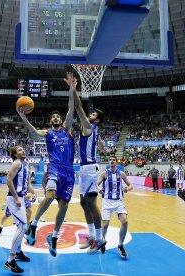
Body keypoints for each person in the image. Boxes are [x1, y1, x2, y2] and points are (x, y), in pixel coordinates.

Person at [18, 72, 75, 257]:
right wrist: (24, 118)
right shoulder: (48, 133)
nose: (57, 118)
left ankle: (55, 237)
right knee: (49, 196)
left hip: (69, 171)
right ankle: (33, 226)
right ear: (51, 121)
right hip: (54, 168)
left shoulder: (67, 129)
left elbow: (71, 109)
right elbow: (34, 133)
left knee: (64, 206)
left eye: (58, 116)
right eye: (54, 117)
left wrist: (72, 89)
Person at [71, 73, 106, 254]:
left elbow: (78, 106)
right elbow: (101, 146)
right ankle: (92, 236)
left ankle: (100, 239)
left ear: (96, 120)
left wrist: (73, 88)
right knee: (83, 203)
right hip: (84, 169)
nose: (89, 115)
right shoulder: (94, 129)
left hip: (90, 168)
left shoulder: (88, 126)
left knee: (91, 203)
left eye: (93, 114)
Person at [4, 146, 36, 274]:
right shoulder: (16, 163)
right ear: (15, 155)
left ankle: (18, 252)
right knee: (22, 227)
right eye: (19, 150)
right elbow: (9, 180)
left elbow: (27, 184)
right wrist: (17, 198)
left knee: (22, 226)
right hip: (13, 199)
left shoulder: (25, 165)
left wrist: (33, 193)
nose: (23, 151)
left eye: (23, 149)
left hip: (21, 198)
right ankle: (10, 260)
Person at [96, 156, 133, 258]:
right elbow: (96, 183)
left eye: (114, 159)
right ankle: (103, 241)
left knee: (125, 221)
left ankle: (120, 245)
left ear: (116, 162)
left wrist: (127, 189)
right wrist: (99, 189)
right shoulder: (104, 173)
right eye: (110, 159)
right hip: (107, 202)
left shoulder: (121, 174)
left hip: (118, 202)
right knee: (105, 225)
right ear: (109, 162)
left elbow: (131, 185)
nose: (112, 161)